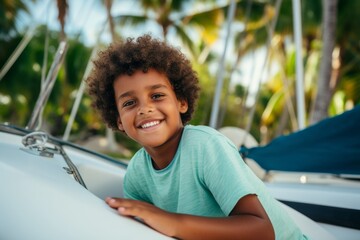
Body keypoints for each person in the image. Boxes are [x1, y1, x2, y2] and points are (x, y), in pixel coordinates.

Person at [86, 34, 307, 240]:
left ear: (181, 102)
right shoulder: (136, 174)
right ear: (119, 121)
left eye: (157, 95)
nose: (145, 109)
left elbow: (262, 231)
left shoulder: (205, 146)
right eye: (129, 103)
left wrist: (172, 223)